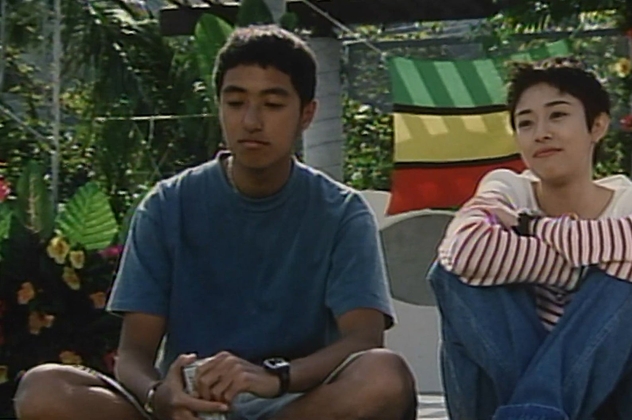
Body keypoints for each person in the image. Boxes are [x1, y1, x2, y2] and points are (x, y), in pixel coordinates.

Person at [14, 25, 416, 420]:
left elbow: (363, 339)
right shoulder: (168, 205)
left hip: (295, 406)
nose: (251, 121)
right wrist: (159, 396)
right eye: (236, 102)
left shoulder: (341, 212)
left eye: (273, 105)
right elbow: (133, 354)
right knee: (44, 388)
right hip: (189, 408)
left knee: (383, 376)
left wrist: (274, 377)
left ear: (306, 114)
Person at [428, 57, 632, 420]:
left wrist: (534, 227)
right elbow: (464, 250)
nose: (541, 133)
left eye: (557, 115)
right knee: (452, 273)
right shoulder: (508, 188)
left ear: (597, 125)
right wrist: (576, 270)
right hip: (503, 401)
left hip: (614, 406)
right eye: (526, 123)